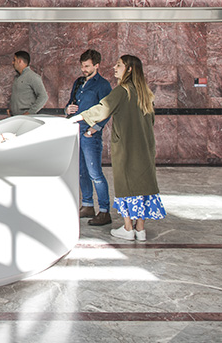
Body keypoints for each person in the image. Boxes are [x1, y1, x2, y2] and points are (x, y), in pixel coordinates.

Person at [71, 55, 166, 241]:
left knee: (127, 185)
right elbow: (151, 121)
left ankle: (128, 228)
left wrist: (77, 118)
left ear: (129, 69)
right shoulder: (145, 93)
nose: (115, 68)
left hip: (126, 148)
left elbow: (102, 108)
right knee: (142, 185)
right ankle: (140, 229)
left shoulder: (123, 91)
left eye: (119, 65)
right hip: (145, 148)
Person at [65, 49, 113, 226]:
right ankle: (87, 205)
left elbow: (107, 110)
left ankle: (104, 211)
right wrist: (67, 110)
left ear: (96, 65)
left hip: (90, 135)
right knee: (81, 171)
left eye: (87, 66)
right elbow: (71, 103)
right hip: (76, 131)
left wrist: (94, 129)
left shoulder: (103, 85)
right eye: (82, 66)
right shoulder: (78, 83)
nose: (83, 69)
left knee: (95, 173)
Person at [9, 50, 48, 115]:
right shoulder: (17, 77)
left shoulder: (33, 77)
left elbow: (43, 97)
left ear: (20, 61)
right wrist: (11, 110)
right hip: (16, 118)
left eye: (14, 60)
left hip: (27, 119)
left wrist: (29, 113)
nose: (12, 62)